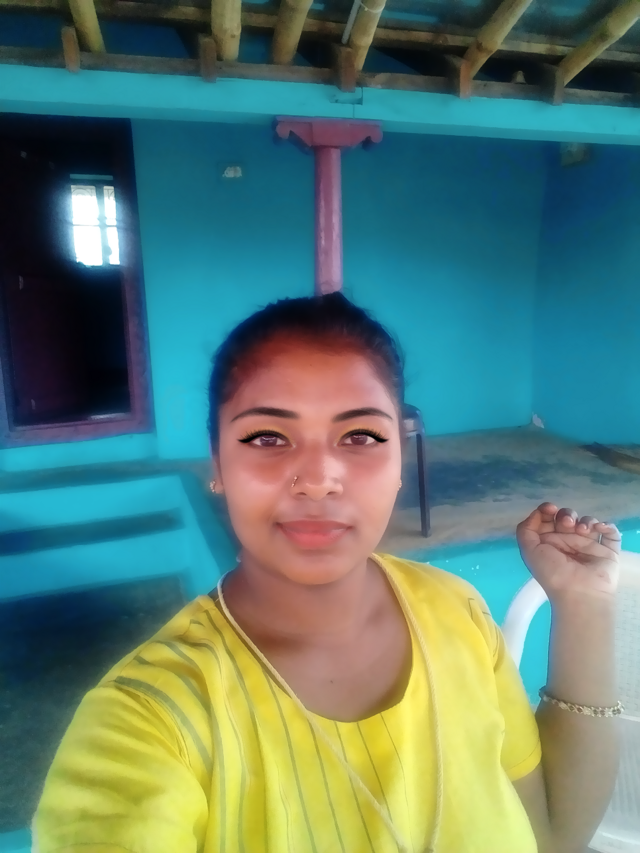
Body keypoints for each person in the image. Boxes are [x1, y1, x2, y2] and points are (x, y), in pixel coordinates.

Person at [34, 293, 621, 853]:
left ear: (399, 461)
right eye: (267, 436)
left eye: (360, 435)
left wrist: (582, 603)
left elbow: (553, 835)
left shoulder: (456, 611)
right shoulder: (151, 718)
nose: (317, 480)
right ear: (217, 464)